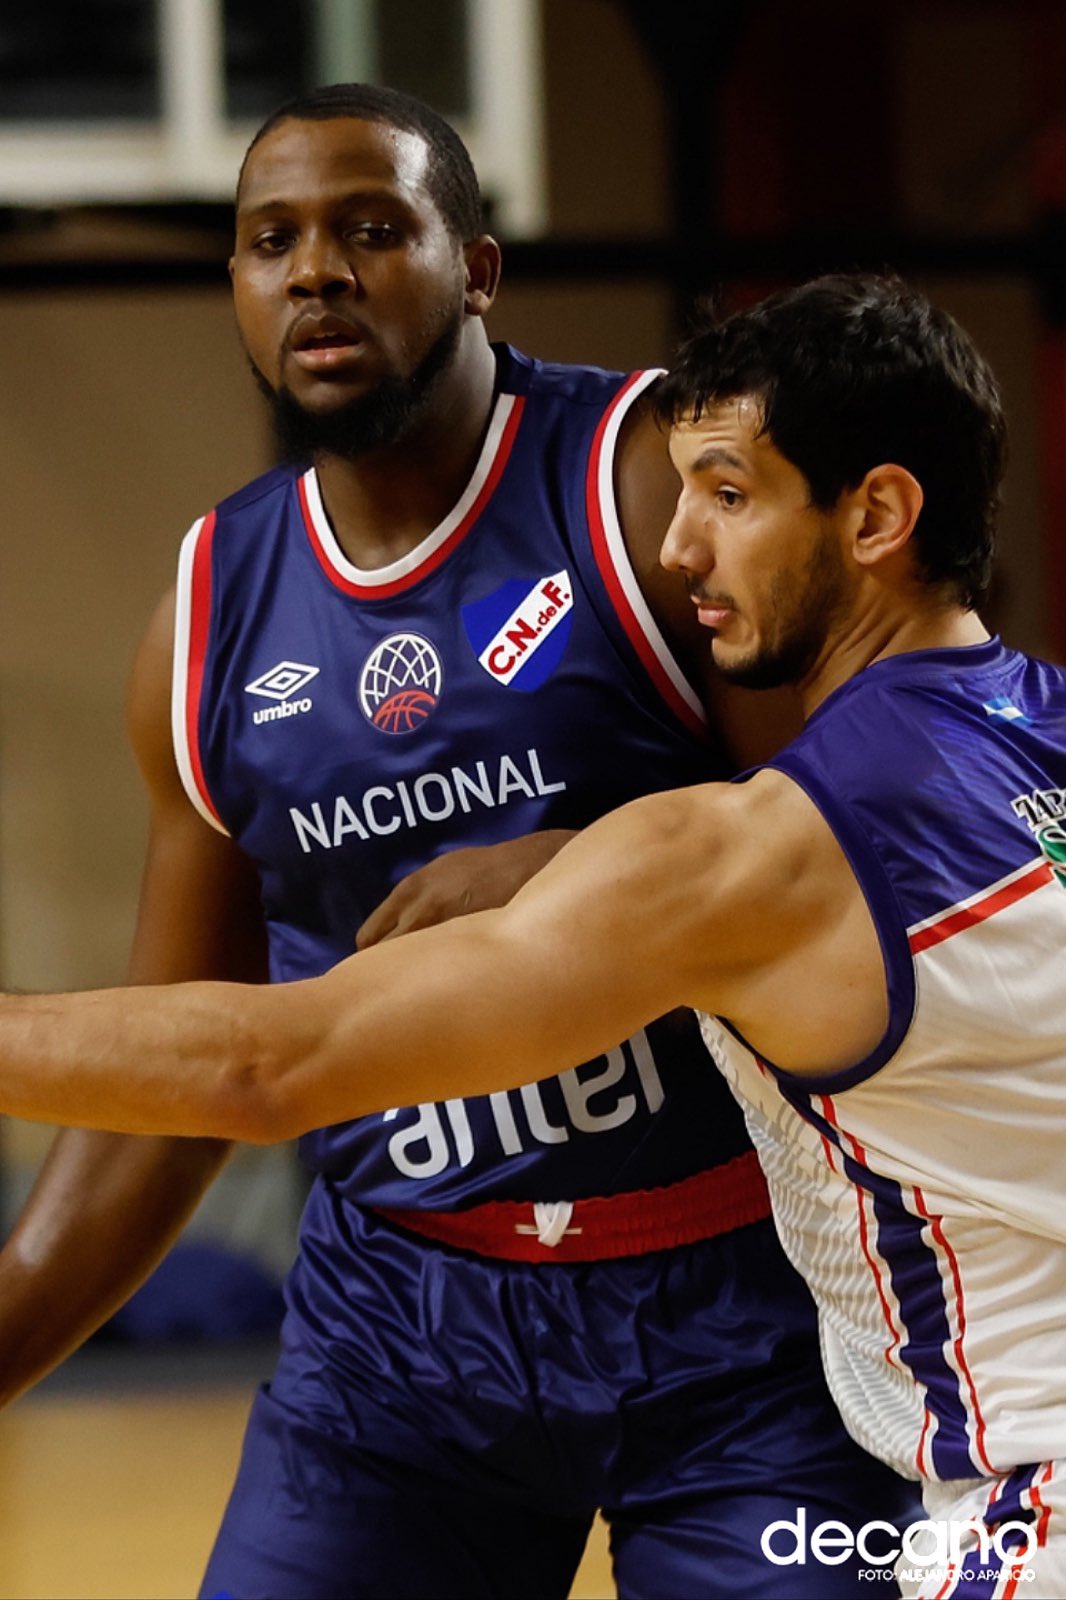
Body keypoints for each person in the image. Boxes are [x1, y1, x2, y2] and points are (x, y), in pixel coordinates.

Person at [2, 272, 1063, 1600]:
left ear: (877, 515)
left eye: (728, 496)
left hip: (1006, 1504)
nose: (681, 547)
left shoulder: (752, 856)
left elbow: (265, 1068)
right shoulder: (1035, 739)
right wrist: (581, 857)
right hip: (422, 1329)